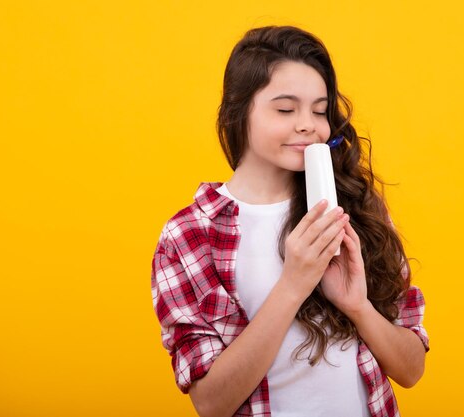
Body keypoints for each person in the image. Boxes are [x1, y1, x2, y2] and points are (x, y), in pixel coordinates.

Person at [151, 25, 430, 417]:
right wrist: (293, 284)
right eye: (285, 109)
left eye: (319, 110)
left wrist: (358, 307)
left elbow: (411, 369)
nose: (308, 125)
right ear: (238, 111)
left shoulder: (357, 208)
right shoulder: (188, 235)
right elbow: (211, 403)